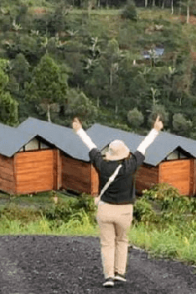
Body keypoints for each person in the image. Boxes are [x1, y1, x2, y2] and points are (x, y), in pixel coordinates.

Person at [72, 115, 163, 288]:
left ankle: (108, 277)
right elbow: (143, 146)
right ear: (124, 153)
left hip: (105, 210)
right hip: (124, 211)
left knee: (107, 244)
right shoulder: (130, 166)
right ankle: (120, 272)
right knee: (122, 241)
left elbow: (91, 146)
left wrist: (79, 130)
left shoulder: (102, 165)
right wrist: (155, 129)